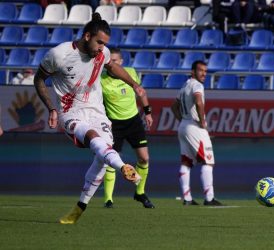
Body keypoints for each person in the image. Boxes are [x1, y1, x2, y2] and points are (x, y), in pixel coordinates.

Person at [34, 13, 147, 224]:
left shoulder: (102, 53)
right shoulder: (59, 55)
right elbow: (39, 79)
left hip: (96, 111)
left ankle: (80, 206)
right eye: (100, 42)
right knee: (95, 139)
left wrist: (134, 84)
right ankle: (123, 166)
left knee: (103, 156)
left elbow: (112, 67)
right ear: (87, 36)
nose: (102, 48)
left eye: (105, 44)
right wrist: (51, 108)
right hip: (71, 112)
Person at [101, 48, 155, 209]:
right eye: (110, 61)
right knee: (112, 161)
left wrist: (148, 113)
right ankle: (108, 199)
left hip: (133, 121)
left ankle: (139, 193)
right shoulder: (100, 79)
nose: (112, 64)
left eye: (115, 61)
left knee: (144, 158)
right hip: (114, 124)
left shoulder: (130, 72)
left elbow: (141, 92)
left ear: (121, 62)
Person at [170, 61, 223, 206]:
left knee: (186, 162)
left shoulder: (184, 86)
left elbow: (173, 107)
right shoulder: (197, 85)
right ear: (192, 72)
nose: (204, 73)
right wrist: (202, 122)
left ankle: (187, 198)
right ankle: (209, 198)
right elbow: (199, 102)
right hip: (195, 126)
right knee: (208, 162)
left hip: (184, 126)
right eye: (201, 70)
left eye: (206, 71)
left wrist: (182, 120)